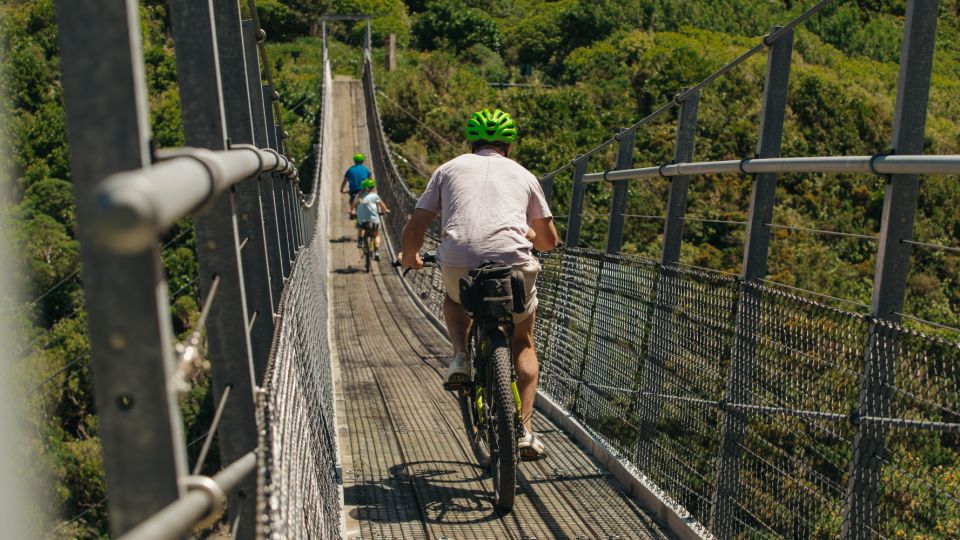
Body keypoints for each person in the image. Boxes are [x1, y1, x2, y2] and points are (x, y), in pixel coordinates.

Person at [399, 108, 560, 460]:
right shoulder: (524, 175)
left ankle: (460, 357)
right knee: (523, 340)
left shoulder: (448, 169)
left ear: (471, 143)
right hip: (514, 263)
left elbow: (415, 227)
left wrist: (409, 256)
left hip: (459, 260)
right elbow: (549, 242)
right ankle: (527, 431)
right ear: (509, 147)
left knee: (455, 300)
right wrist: (529, 233)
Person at [351, 178, 390, 261]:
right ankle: (376, 251)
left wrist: (352, 211)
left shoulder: (358, 195)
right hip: (373, 220)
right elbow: (382, 205)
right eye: (373, 186)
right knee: (376, 234)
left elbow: (353, 205)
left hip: (362, 219)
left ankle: (360, 241)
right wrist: (386, 210)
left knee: (360, 227)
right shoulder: (374, 196)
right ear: (370, 188)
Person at [341, 153, 373, 244]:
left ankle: (354, 213)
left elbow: (344, 182)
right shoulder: (366, 169)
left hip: (354, 193)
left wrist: (342, 190)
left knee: (353, 202)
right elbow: (371, 181)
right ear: (363, 161)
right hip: (365, 192)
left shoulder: (350, 170)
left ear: (354, 161)